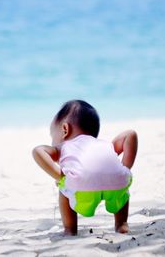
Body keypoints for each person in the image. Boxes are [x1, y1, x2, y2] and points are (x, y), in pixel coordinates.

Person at [32, 100, 138, 236]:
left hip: (81, 186)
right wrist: (125, 168)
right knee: (123, 190)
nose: (53, 141)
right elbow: (130, 134)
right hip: (118, 184)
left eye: (52, 136)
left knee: (64, 188)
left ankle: (70, 229)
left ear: (65, 130)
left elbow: (38, 151)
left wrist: (60, 176)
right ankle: (121, 224)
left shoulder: (64, 146)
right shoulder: (105, 145)